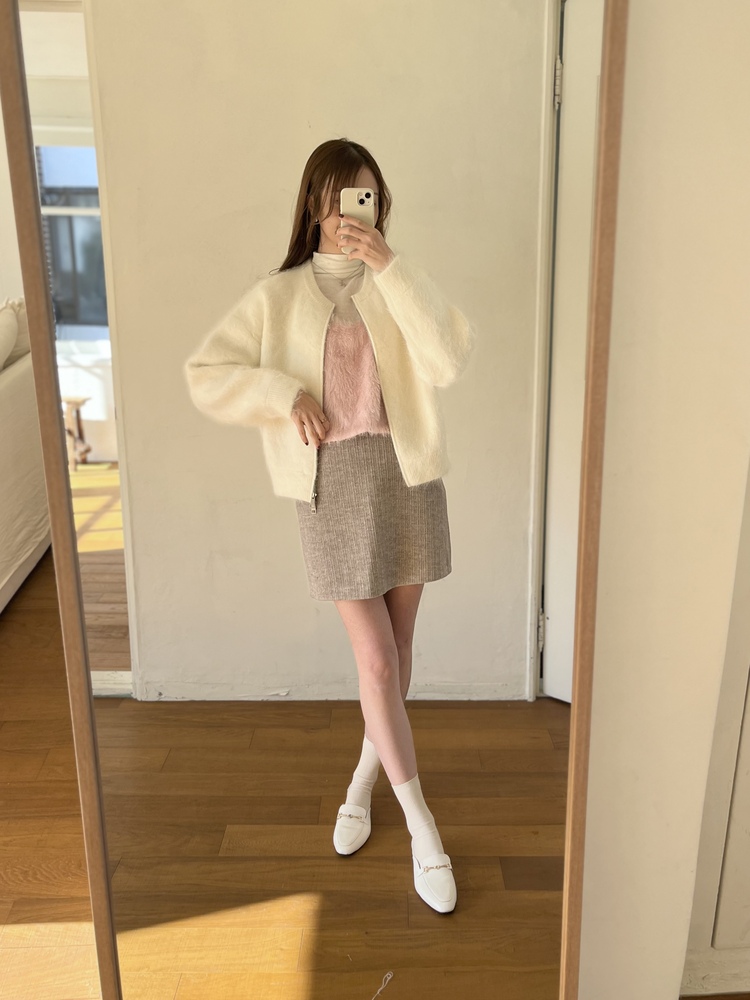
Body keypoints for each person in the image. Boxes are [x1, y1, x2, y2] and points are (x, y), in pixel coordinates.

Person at [184, 138, 475, 913]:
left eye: (368, 197)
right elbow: (207, 375)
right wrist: (282, 394)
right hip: (331, 486)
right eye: (343, 196)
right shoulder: (277, 296)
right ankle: (423, 829)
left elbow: (448, 360)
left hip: (407, 477)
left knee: (396, 657)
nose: (355, 211)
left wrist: (391, 267)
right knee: (376, 661)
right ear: (316, 203)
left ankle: (361, 783)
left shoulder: (396, 281)